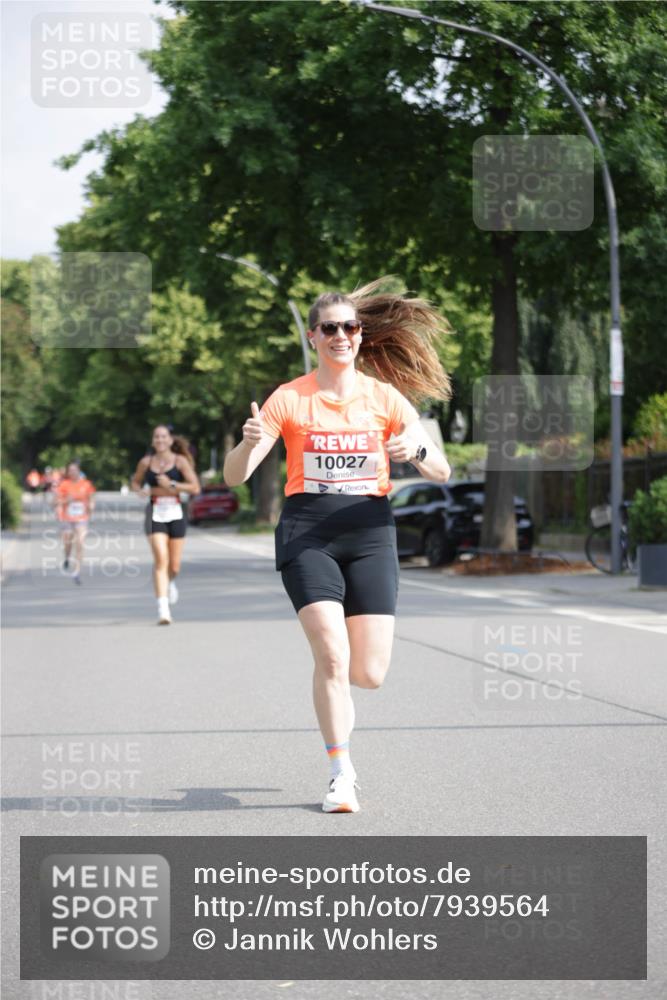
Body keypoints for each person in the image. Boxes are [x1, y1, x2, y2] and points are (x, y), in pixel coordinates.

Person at [223, 279, 451, 813]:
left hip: (370, 533)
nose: (341, 336)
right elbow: (236, 476)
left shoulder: (383, 397)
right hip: (308, 533)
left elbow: (441, 470)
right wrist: (248, 443)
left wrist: (416, 449)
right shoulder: (289, 398)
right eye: (330, 328)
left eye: (350, 327)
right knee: (331, 652)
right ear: (313, 336)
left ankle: (337, 695)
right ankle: (340, 772)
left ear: (360, 334)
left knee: (367, 673)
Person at [130, 426, 200, 625]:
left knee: (174, 565)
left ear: (170, 440)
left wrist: (172, 485)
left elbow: (195, 487)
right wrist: (140, 490)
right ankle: (163, 610)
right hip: (155, 511)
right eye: (156, 437)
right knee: (161, 559)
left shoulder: (180, 461)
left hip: (176, 511)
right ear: (153, 441)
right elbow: (135, 482)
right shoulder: (146, 462)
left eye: (163, 436)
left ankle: (171, 581)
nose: (160, 440)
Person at [54, 461, 96, 584]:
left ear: (79, 471)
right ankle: (67, 557)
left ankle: (77, 572)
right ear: (67, 472)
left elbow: (92, 499)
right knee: (68, 543)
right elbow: (55, 502)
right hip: (67, 518)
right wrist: (66, 500)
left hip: (81, 519)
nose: (72, 472)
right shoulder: (64, 485)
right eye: (70, 470)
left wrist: (91, 507)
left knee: (80, 543)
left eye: (75, 470)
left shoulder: (86, 484)